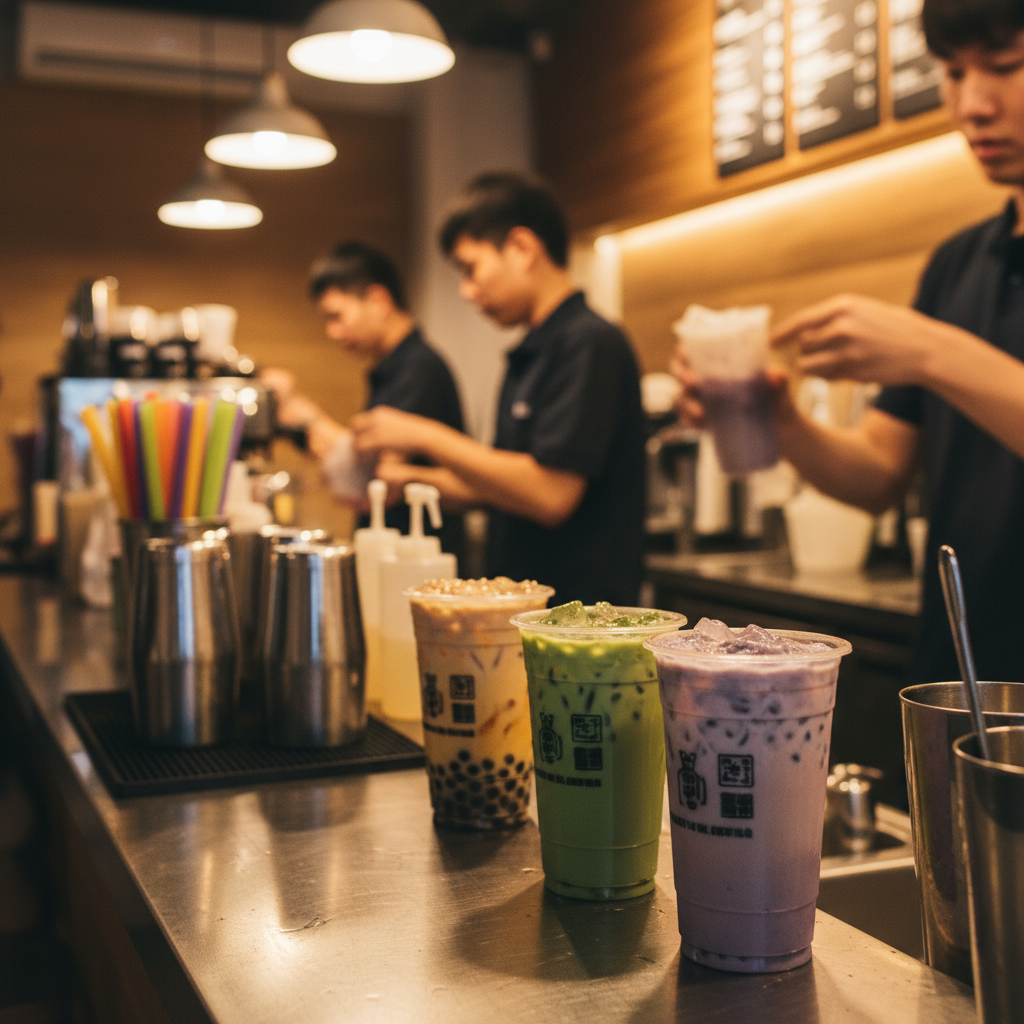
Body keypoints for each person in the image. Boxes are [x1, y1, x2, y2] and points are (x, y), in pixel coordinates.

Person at [673, 0, 1024, 687]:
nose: (971, 104)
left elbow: (936, 361)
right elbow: (878, 477)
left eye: (1007, 67)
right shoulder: (957, 264)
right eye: (952, 73)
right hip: (960, 685)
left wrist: (930, 352)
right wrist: (784, 422)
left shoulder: (935, 334)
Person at [351, 173, 646, 606]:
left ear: (522, 248)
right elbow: (505, 485)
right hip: (531, 612)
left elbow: (549, 495)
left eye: (471, 268)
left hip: (584, 623)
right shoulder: (529, 354)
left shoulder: (589, 341)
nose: (467, 291)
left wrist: (422, 435)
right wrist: (415, 480)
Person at [263, 240, 465, 555]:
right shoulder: (393, 367)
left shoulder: (417, 368)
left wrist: (305, 414)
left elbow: (367, 480)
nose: (332, 332)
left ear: (378, 300)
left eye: (337, 316)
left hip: (416, 559)